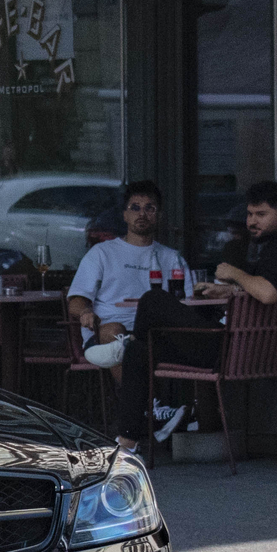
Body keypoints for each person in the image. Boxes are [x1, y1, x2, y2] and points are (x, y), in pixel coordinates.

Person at [67, 180, 193, 449]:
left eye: (150, 208)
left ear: (159, 215)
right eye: (135, 208)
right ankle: (151, 409)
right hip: (108, 333)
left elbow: (189, 303)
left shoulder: (171, 258)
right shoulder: (103, 252)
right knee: (115, 332)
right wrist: (85, 312)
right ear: (124, 215)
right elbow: (76, 299)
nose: (142, 214)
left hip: (155, 334)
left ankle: (161, 419)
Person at [195, 180, 277, 306]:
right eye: (249, 214)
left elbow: (268, 294)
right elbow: (264, 287)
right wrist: (228, 290)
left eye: (261, 214)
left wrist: (233, 273)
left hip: (268, 325)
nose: (251, 222)